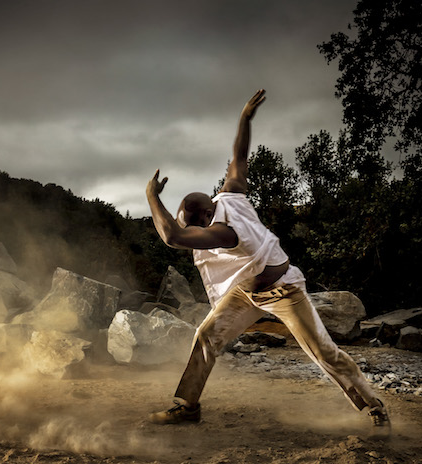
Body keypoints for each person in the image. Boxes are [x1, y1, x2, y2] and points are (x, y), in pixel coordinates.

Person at [145, 89, 390, 431]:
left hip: (285, 290)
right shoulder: (231, 191)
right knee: (206, 335)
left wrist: (150, 198)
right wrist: (245, 118)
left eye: (194, 224)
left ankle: (373, 408)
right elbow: (239, 155)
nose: (196, 233)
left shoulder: (224, 231)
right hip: (246, 291)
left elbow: (173, 237)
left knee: (323, 352)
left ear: (203, 216)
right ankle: (187, 406)